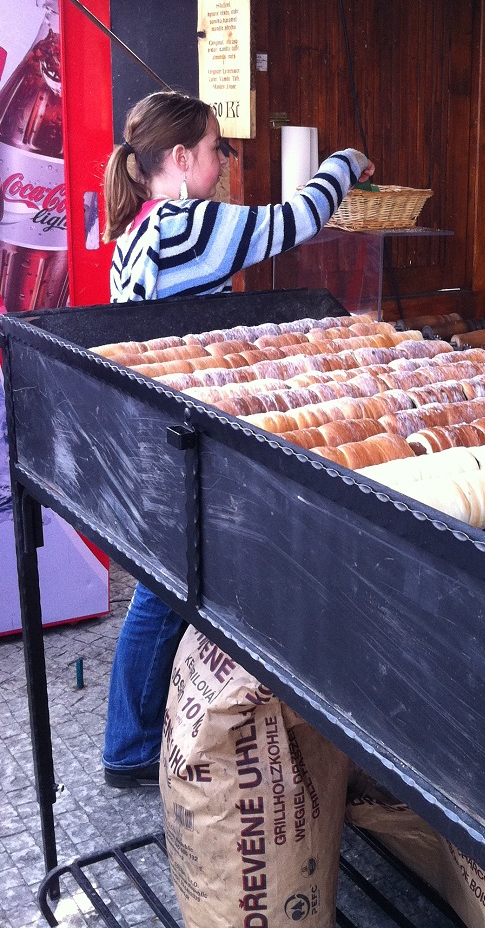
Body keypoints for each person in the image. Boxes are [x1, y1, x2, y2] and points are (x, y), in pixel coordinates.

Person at [100, 91, 374, 788]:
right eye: (218, 149)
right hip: (181, 441)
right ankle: (131, 744)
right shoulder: (183, 228)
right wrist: (344, 163)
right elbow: (294, 223)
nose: (224, 162)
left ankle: (155, 731)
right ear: (183, 157)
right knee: (163, 594)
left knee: (168, 585)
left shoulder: (135, 232)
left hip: (158, 433)